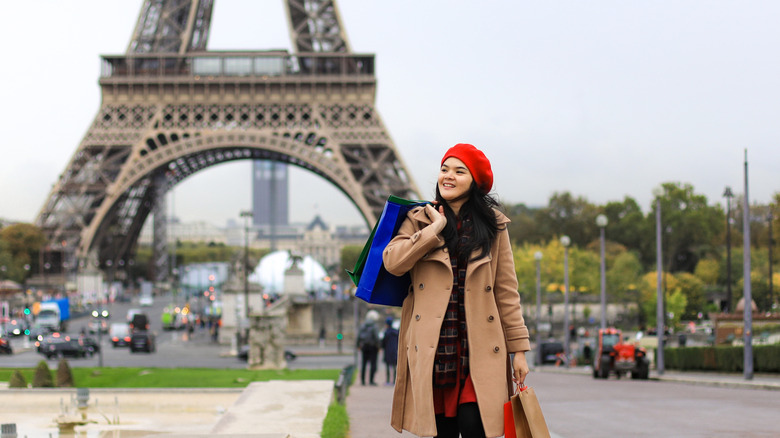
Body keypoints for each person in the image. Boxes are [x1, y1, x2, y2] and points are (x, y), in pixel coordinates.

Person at [383, 143, 530, 438]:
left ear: (475, 181)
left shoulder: (494, 226)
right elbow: (393, 262)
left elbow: (506, 290)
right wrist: (432, 230)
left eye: (459, 171)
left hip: (480, 345)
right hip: (435, 346)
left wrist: (519, 350)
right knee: (442, 431)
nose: (448, 176)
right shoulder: (419, 219)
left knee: (475, 425)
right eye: (444, 169)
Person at [357, 309, 381, 386]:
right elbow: (376, 337)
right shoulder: (374, 326)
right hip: (373, 346)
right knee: (373, 364)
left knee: (364, 364)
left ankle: (363, 380)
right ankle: (371, 380)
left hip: (364, 346)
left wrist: (358, 345)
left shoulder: (363, 325)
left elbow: (359, 336)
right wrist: (379, 346)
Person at [381, 316, 399, 385]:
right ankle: (394, 380)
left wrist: (382, 347)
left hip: (387, 351)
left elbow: (383, 342)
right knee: (394, 366)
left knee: (387, 366)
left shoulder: (386, 332)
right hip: (395, 350)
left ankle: (388, 380)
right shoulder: (396, 332)